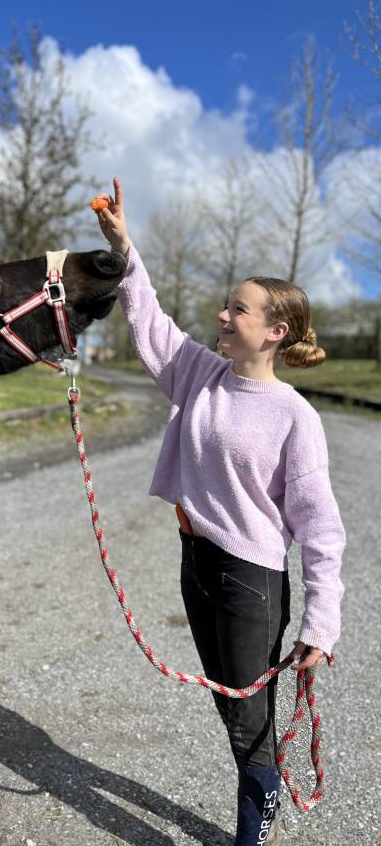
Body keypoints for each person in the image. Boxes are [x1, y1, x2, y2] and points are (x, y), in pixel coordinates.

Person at [94, 178, 345, 846]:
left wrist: (322, 622)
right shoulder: (200, 374)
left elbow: (321, 529)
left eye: (238, 310)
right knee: (229, 710)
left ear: (276, 331)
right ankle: (256, 805)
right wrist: (124, 246)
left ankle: (250, 833)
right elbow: (149, 319)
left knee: (248, 725)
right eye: (227, 307)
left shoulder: (296, 417)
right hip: (195, 563)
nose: (223, 316)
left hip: (249, 581)